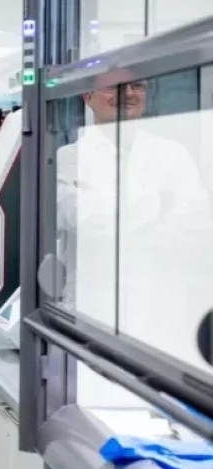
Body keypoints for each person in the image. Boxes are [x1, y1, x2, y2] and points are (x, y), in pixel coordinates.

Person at [55, 74, 213, 371]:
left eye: (136, 86)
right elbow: (77, 217)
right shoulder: (71, 157)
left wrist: (114, 214)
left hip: (161, 312)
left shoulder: (173, 153)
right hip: (92, 310)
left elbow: (197, 224)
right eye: (111, 87)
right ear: (87, 97)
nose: (127, 93)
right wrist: (159, 205)